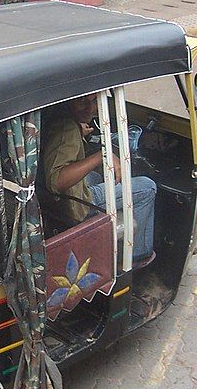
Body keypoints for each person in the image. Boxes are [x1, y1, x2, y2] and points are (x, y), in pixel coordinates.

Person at [41, 94, 156, 263]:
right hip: (74, 206)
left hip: (52, 204)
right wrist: (101, 156)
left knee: (95, 176)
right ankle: (137, 255)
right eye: (81, 101)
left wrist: (79, 131)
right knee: (147, 187)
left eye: (94, 101)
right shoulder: (67, 129)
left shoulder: (56, 118)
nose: (89, 107)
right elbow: (57, 181)